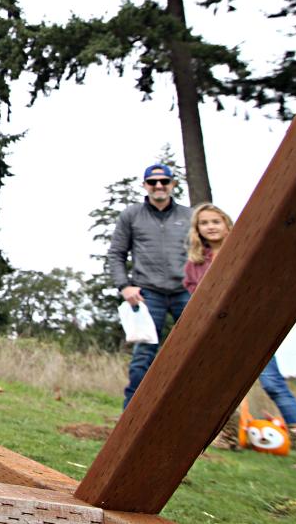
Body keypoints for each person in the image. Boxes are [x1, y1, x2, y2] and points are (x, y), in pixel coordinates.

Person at [187, 203, 296, 473]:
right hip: (219, 332)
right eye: (204, 223)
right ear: (198, 230)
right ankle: (226, 437)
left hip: (252, 327)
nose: (211, 226)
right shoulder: (195, 264)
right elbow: (197, 300)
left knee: (273, 384)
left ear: (227, 224)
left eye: (216, 221)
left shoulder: (247, 251)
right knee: (218, 386)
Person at [106, 163, 192, 408]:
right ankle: (130, 415)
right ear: (145, 186)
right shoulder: (131, 215)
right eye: (152, 182)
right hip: (147, 294)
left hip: (185, 292)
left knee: (195, 351)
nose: (158, 186)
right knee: (143, 357)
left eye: (164, 181)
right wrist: (124, 286)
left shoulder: (189, 216)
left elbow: (205, 253)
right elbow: (116, 254)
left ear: (172, 184)